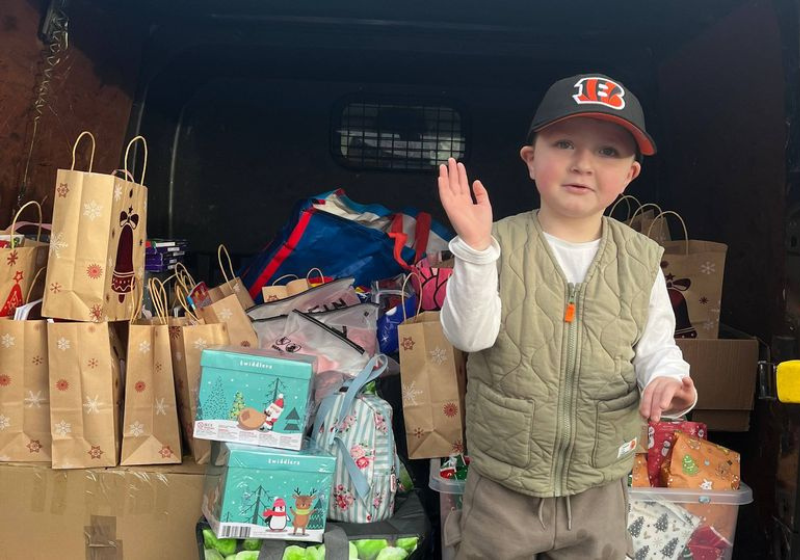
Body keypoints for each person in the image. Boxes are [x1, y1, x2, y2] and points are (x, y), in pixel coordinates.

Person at [438, 74, 698, 559]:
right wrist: (474, 250)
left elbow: (656, 347)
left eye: (607, 152)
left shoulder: (641, 259)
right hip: (503, 486)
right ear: (531, 159)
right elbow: (469, 335)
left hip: (599, 485)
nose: (582, 164)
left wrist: (670, 379)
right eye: (563, 143)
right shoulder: (496, 244)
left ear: (630, 175)